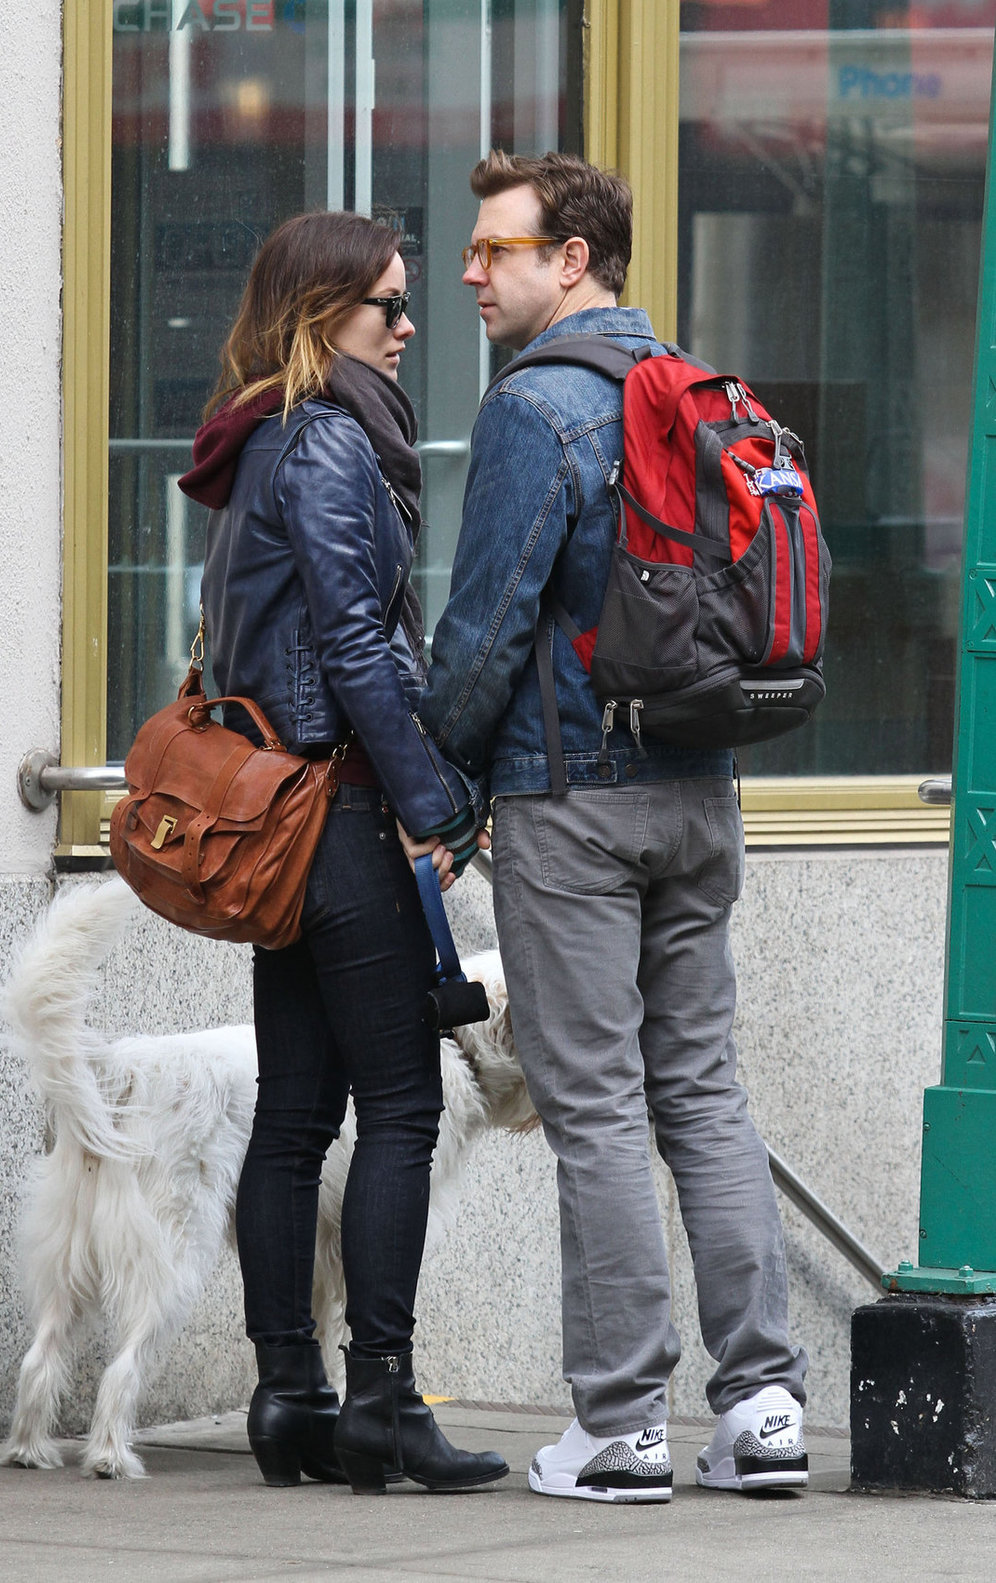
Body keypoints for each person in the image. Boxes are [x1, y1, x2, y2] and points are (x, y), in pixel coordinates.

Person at [412, 151, 809, 1503]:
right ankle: (761, 1402)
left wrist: (437, 782)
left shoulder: (541, 407)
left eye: (495, 249)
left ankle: (622, 1420)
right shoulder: (696, 388)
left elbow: (483, 628)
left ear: (571, 257)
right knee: (703, 1089)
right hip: (702, 792)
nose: (472, 271)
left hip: (573, 797)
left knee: (595, 1103)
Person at [178, 210, 506, 1497]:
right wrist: (429, 801)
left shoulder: (259, 441)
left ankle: (287, 1395)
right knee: (404, 1107)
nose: (410, 324)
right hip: (345, 813)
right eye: (388, 305)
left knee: (298, 1115)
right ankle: (377, 1397)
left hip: (285, 826)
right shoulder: (324, 442)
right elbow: (362, 648)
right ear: (324, 318)